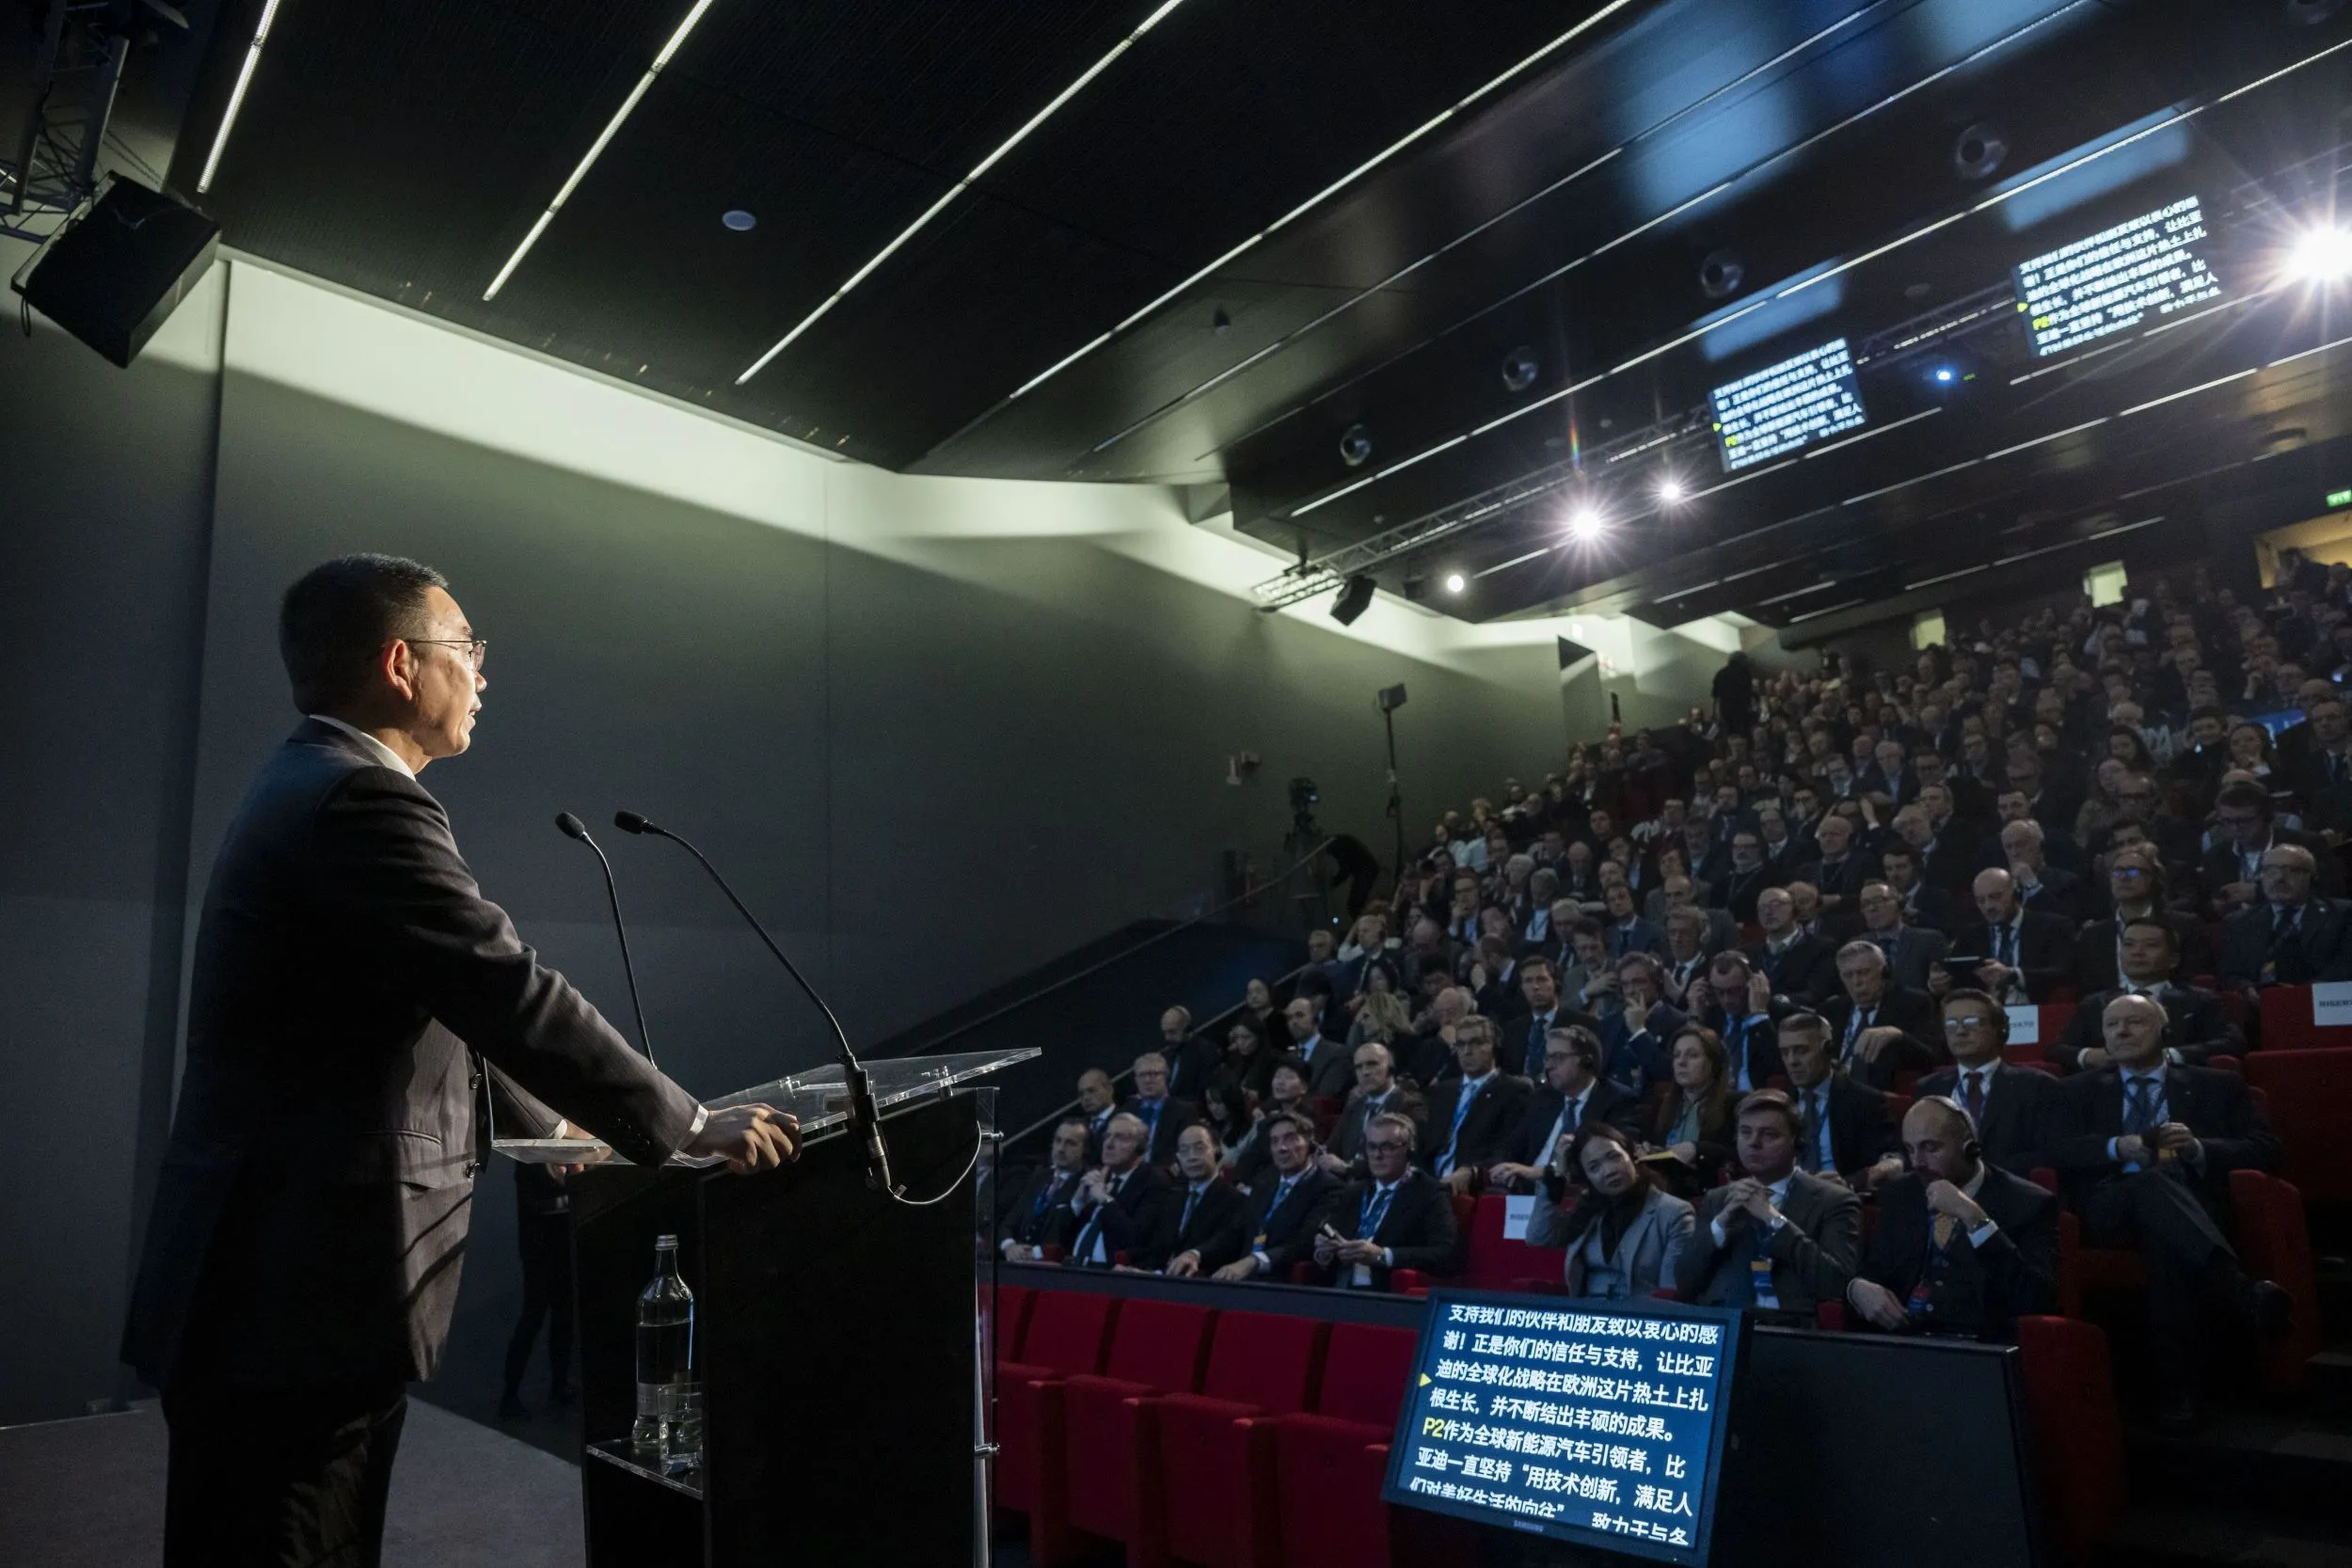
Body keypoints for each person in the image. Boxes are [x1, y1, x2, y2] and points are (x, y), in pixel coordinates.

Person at [122, 555, 799, 1568]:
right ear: (401, 663)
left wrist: (552, 1125)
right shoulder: (361, 801)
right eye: (468, 649)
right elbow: (501, 986)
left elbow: (433, 1004)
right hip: (293, 1297)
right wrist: (685, 1122)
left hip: (267, 1289)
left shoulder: (309, 781)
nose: (483, 673)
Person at [2046, 995, 2292, 1426]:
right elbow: (2054, 1149)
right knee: (2153, 1186)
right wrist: (2114, 1146)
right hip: (2108, 1206)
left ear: (2164, 1030)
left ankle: (2177, 1392)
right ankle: (2238, 1290)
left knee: (2166, 1236)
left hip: (2188, 1207)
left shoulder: (2218, 1084)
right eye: (2112, 1025)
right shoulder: (2075, 1090)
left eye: (2134, 1022)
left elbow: (2266, 1149)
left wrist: (2198, 1149)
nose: (2121, 1032)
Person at [1845, 1098, 2058, 1341]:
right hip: (1904, 1342)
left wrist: (1974, 1217)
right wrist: (1857, 1289)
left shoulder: (2028, 1202)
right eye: (1910, 1149)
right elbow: (1876, 1269)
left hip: (1979, 1348)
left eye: (1930, 1148)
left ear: (1970, 1147)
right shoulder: (1901, 1194)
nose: (1917, 1162)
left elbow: (2037, 1299)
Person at [1673, 1091, 1861, 1316]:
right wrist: (1720, 1226)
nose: (1754, 1143)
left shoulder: (1834, 1200)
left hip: (1789, 1328)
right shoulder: (1717, 1199)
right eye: (1745, 1132)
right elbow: (1684, 1284)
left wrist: (1774, 1220)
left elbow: (1836, 1282)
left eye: (1769, 1134)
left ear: (1796, 1141)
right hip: (1722, 1324)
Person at [1531, 1123, 1695, 1300]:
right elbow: (1538, 1237)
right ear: (1587, 1179)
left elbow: (1670, 1293)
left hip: (1641, 1318)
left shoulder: (1674, 1213)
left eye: (1614, 1157)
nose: (1609, 1171)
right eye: (1594, 1168)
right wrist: (1557, 1177)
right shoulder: (1589, 1211)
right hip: (1586, 1316)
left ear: (1632, 1155)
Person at [2057, 922, 2242, 1070]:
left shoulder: (2200, 1001)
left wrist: (2171, 1056)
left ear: (2173, 960)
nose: (2137, 952)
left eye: (2150, 945)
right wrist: (2089, 1056)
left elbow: (2232, 1043)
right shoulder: (2094, 1003)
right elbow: (2057, 1050)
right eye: (2129, 945)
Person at [1311, 1112, 1461, 1290]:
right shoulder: (1353, 1192)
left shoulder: (1429, 1193)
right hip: (1341, 1288)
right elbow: (1330, 1237)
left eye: (1388, 1147)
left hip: (1386, 1292)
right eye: (1371, 1147)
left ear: (1410, 1150)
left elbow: (1446, 1254)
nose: (1377, 1155)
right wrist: (1324, 1252)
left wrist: (1383, 1255)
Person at [1485, 1025, 1641, 1192]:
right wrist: (1502, 1166)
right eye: (1547, 1058)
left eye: (1558, 1057)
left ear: (1586, 1060)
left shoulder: (1617, 1099)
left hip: (1578, 1189)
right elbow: (1511, 1145)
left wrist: (1544, 1172)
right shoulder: (1543, 1098)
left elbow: (1613, 1159)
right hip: (1527, 1188)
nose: (1549, 1066)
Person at [1915, 990, 2058, 1174]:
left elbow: (2050, 1153)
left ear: (2000, 1030)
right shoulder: (1927, 1088)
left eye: (1971, 1022)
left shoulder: (2038, 1086)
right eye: (1951, 1024)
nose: (1960, 1031)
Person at [1212, 1112, 1341, 1282]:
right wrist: (1196, 1253)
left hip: (1281, 1283)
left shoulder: (1329, 1188)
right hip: (1242, 1279)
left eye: (1290, 1138)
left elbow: (1304, 1244)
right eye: (1275, 1141)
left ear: (1309, 1140)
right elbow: (1236, 1231)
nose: (1282, 1148)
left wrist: (1256, 1261)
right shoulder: (1264, 1184)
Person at [1777, 1012, 1901, 1188]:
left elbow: (1891, 1158)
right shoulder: (1778, 1102)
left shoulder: (1865, 1101)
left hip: (1840, 1198)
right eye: (1785, 1052)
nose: (1791, 1061)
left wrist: (1846, 1183)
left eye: (1801, 1050)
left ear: (1828, 1050)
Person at [498, 1162, 578, 1421]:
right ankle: (510, 1395)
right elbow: (535, 1206)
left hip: (561, 1247)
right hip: (540, 1252)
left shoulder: (555, 1159)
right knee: (533, 1319)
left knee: (563, 1318)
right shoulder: (529, 1161)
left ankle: (558, 1385)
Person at [2217, 843, 2352, 988]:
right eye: (2270, 870)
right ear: (2261, 876)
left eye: (2292, 871)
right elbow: (2229, 975)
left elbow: (2345, 967)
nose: (2279, 878)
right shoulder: (2238, 922)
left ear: (2312, 878)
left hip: (2322, 1003)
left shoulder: (2342, 914)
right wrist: (2249, 989)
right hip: (2260, 1005)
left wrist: (2299, 995)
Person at [1421, 1017, 1532, 1194]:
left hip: (1472, 1183)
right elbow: (1425, 1145)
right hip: (1432, 1182)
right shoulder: (1442, 1092)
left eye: (1475, 1043)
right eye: (1461, 1044)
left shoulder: (1513, 1091)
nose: (1467, 1051)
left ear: (1493, 1046)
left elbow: (1507, 1147)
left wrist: (1474, 1171)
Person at [1820, 940, 1944, 1090]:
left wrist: (1899, 1036)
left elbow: (1932, 1058)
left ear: (1883, 971)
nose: (1856, 981)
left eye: (1864, 972)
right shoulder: (1831, 1010)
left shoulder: (1913, 1003)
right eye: (1848, 975)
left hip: (1884, 1094)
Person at [1942, 868, 2076, 1004]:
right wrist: (1939, 984)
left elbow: (2064, 972)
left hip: (2038, 1012)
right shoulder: (1970, 937)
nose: (1988, 906)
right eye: (1981, 901)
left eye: (1995, 897)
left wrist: (2013, 975)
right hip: (1986, 1017)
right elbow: (1957, 982)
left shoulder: (2052, 927)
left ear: (2015, 891)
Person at [1066, 1112, 1173, 1269]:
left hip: (1113, 1274)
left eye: (1120, 1138)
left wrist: (1105, 1200)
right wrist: (1077, 1202)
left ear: (1141, 1148)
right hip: (1075, 1266)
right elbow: (1061, 1239)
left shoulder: (1153, 1181)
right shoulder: (1098, 1177)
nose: (1109, 1144)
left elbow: (1134, 1238)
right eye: (1107, 1136)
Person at [1649, 1025, 1737, 1189]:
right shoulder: (1660, 1104)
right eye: (1676, 1055)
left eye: (1692, 1055)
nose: (1681, 1062)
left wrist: (1698, 1149)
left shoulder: (1734, 1104)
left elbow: (1742, 1155)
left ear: (1714, 1063)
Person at [1160, 1124, 1252, 1277]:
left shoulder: (1235, 1200)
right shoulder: (1172, 1199)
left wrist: (1195, 1254)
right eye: (1185, 1150)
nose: (1192, 1156)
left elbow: (1226, 1242)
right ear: (1178, 1157)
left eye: (1199, 1148)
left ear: (1215, 1150)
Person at [1325, 1041, 1427, 1173]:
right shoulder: (1354, 1107)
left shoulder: (1409, 1105)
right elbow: (1331, 1147)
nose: (1365, 1072)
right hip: (1348, 1184)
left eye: (1372, 1064)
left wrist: (1350, 1168)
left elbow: (1406, 1160)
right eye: (1359, 1067)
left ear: (1390, 1068)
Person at [998, 1117, 1090, 1263]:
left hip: (1051, 1270)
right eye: (1058, 1141)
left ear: (1085, 1149)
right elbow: (1009, 1223)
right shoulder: (1039, 1177)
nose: (1061, 1148)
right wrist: (1010, 1246)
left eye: (1070, 1143)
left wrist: (1033, 1253)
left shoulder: (1085, 1185)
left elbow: (1069, 1237)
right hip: (1016, 1263)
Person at [1597, 953, 1685, 1098]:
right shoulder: (1608, 1024)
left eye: (1638, 982)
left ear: (1656, 983)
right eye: (1625, 984)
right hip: (1611, 1106)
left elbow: (1669, 1073)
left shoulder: (1678, 1022)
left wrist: (1639, 1031)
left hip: (1652, 1107)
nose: (1631, 990)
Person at [1745, 885, 1836, 1009]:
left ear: (1795, 909)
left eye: (1776, 905)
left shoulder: (1821, 947)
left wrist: (1780, 1001)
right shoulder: (1749, 953)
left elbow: (1817, 992)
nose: (1768, 912)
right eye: (1762, 908)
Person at [1854, 880, 1949, 991]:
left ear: (1899, 904)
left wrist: (1935, 985)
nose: (1872, 908)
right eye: (1866, 904)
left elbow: (1945, 985)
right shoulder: (1857, 946)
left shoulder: (1929, 940)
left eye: (1879, 901)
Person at [1119, 1051, 1198, 1167]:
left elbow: (1183, 1152)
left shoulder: (1183, 1111)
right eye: (1142, 1075)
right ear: (1136, 1080)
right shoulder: (1128, 1110)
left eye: (1154, 1074)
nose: (1147, 1080)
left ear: (1166, 1077)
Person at [1282, 993, 1356, 1100]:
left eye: (1299, 1015)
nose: (1293, 1022)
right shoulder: (1287, 1058)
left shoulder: (1337, 1053)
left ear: (1316, 1019)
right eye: (1289, 1018)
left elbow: (1326, 1095)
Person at [1075, 1068, 1119, 1161]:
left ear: (1109, 1090)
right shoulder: (1079, 1127)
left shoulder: (1125, 1120)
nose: (1086, 1097)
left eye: (1091, 1091)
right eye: (1081, 1094)